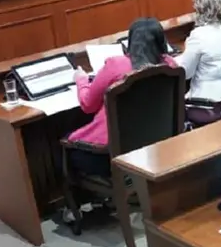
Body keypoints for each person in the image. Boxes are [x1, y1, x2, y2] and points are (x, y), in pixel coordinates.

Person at [66, 17, 177, 179]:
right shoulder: (171, 65)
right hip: (158, 148)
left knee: (65, 146)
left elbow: (88, 105)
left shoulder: (115, 66)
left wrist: (81, 79)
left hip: (114, 156)